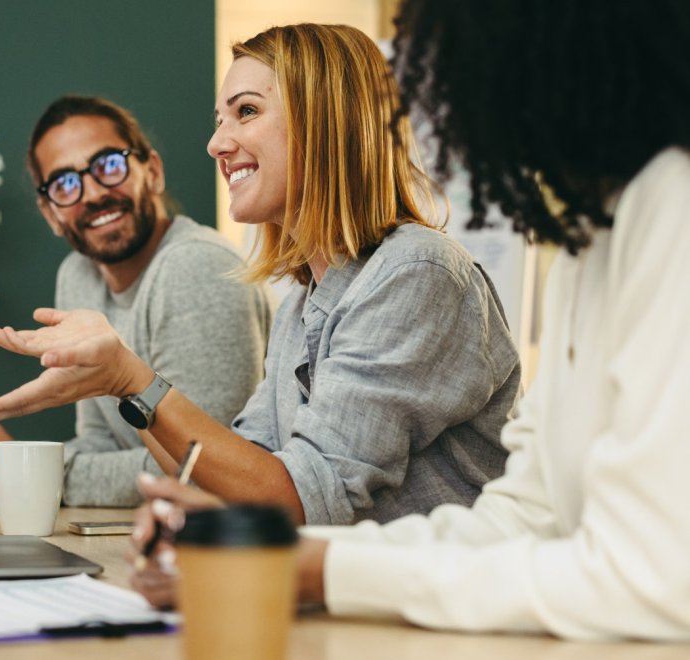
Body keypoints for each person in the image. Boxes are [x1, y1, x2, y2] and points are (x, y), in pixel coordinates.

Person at [134, 1, 690, 642]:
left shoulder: (667, 201)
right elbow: (522, 516)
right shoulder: (584, 238)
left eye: (247, 112)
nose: (441, 92)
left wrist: (316, 572)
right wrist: (270, 552)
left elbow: (651, 578)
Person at [0, 24, 520, 526]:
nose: (216, 144)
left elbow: (301, 499)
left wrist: (129, 378)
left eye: (247, 111)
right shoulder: (304, 302)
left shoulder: (416, 273)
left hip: (431, 621)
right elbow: (234, 474)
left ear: (322, 119)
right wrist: (121, 388)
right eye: (219, 121)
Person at [0, 96, 273, 507]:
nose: (91, 194)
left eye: (108, 164)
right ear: (51, 213)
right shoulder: (78, 275)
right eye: (65, 184)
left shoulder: (196, 266)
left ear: (154, 172)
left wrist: (21, 473)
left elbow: (205, 474)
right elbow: (100, 441)